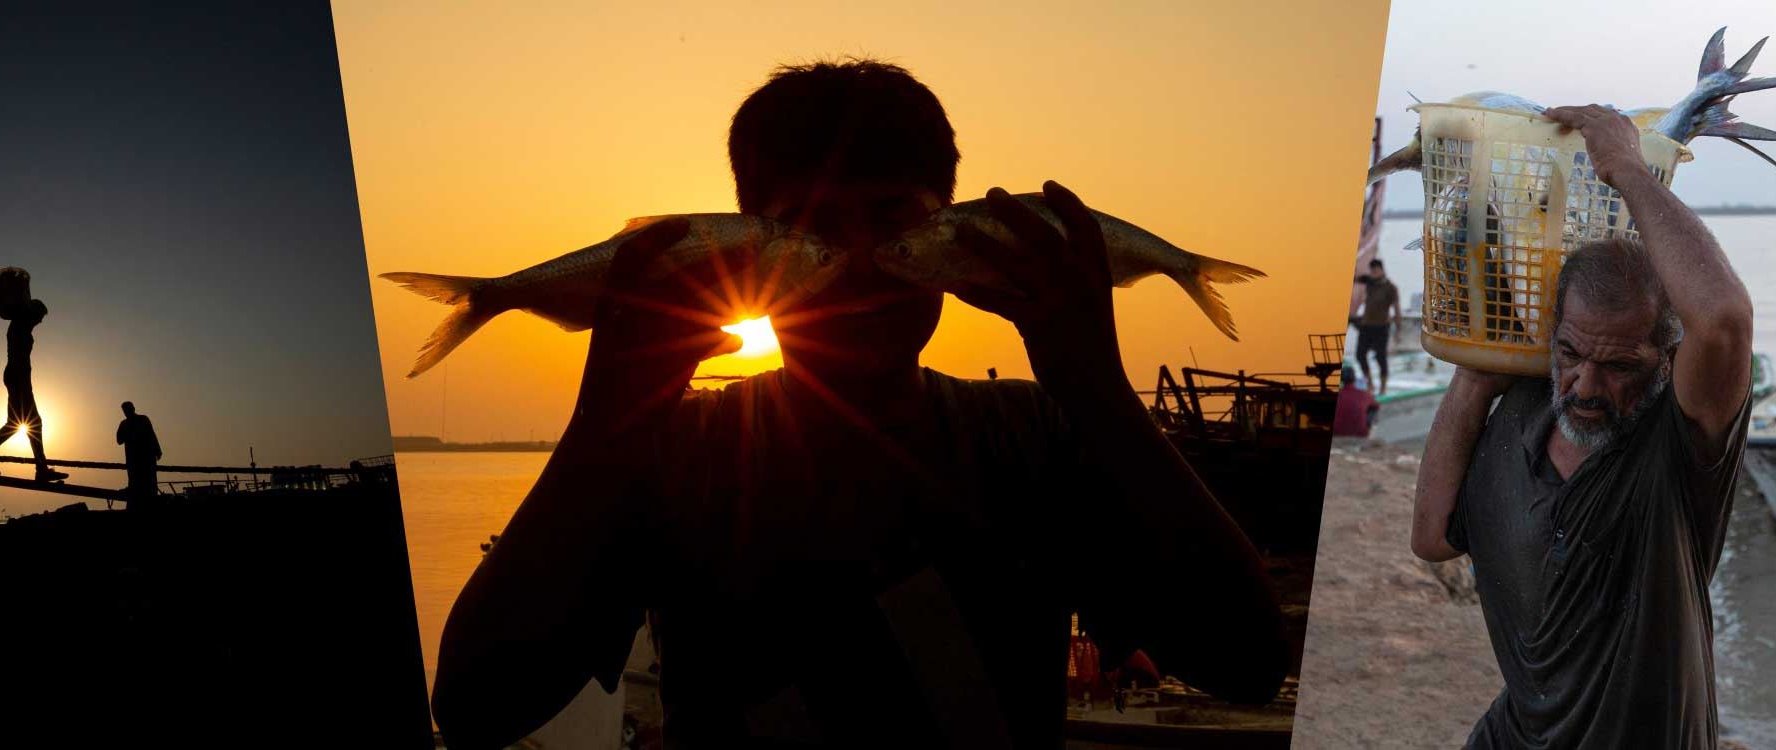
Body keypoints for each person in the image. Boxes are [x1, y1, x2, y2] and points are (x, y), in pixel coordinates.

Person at [432, 59, 1289, 749]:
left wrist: (1096, 386)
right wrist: (609, 414)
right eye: (811, 228)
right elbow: (475, 707)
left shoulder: (1036, 433)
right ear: (742, 251)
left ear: (957, 235)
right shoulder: (665, 454)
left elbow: (1247, 660)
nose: (859, 261)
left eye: (892, 220)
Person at [1408, 105, 1755, 749]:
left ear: (1669, 358)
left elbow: (1724, 317)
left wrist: (1625, 167)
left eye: (1621, 365)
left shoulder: (1676, 448)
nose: (1587, 387)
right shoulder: (1518, 414)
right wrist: (1478, 370)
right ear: (1553, 338)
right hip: (1516, 734)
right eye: (1570, 354)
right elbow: (1432, 537)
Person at [0, 298, 67, 482]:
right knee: (34, 422)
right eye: (39, 316)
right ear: (31, 314)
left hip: (18, 377)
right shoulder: (19, 326)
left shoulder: (22, 326)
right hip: (18, 377)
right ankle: (41, 469)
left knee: (14, 423)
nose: (40, 321)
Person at [1350, 259, 1401, 394]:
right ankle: (1370, 384)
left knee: (1380, 357)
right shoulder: (1369, 282)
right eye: (1372, 271)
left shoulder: (1391, 288)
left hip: (1382, 327)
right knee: (1360, 355)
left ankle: (1383, 388)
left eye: (1376, 270)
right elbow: (1354, 278)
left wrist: (1398, 331)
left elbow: (1397, 309)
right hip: (1366, 326)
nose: (1373, 273)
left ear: (1382, 270)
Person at [116, 401, 163, 500]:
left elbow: (151, 435)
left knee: (149, 483)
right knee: (136, 481)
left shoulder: (142, 419)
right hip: (135, 459)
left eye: (127, 409)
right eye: (125, 410)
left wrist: (157, 450)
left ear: (132, 409)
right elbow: (119, 440)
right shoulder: (125, 424)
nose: (126, 412)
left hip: (146, 457)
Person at [1333, 362, 1377, 438]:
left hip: (1337, 433)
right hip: (1360, 434)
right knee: (1372, 409)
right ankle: (1367, 433)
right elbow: (1376, 406)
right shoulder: (1363, 395)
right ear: (1354, 379)